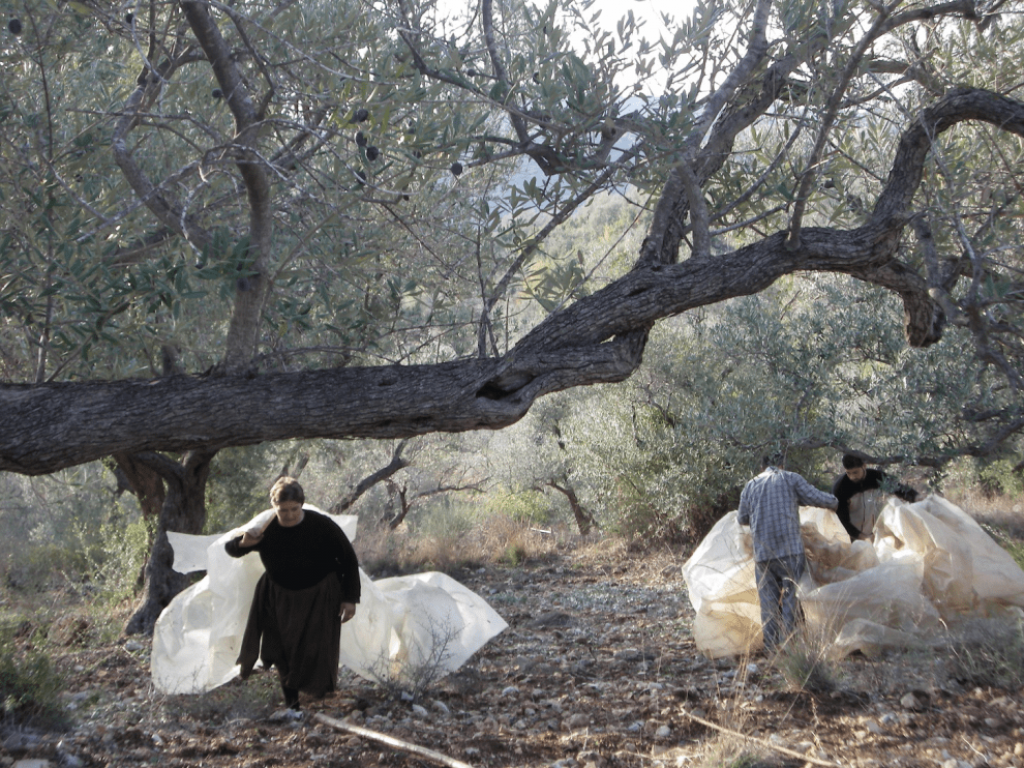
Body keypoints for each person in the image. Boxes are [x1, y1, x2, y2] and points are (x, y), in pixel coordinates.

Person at [225, 476, 361, 711]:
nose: (288, 515)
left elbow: (348, 558)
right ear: (273, 507)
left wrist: (350, 598)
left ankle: (314, 692)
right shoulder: (266, 528)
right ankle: (292, 704)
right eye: (282, 510)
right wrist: (244, 544)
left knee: (313, 649)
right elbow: (231, 549)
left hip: (319, 596)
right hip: (279, 596)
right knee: (281, 649)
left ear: (302, 505)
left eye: (293, 509)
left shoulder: (321, 525)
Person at [737, 455, 838, 654]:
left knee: (768, 602)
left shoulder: (751, 485)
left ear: (762, 466)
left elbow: (742, 518)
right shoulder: (790, 478)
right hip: (790, 551)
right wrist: (835, 501)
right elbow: (816, 497)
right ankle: (789, 646)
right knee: (792, 597)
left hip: (763, 554)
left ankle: (771, 648)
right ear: (782, 464)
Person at [832, 454, 918, 542]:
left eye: (855, 472)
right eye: (848, 473)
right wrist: (861, 537)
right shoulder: (841, 488)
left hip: (871, 533)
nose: (852, 477)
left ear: (864, 466)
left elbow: (897, 488)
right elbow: (842, 520)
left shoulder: (874, 476)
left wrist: (916, 497)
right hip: (849, 537)